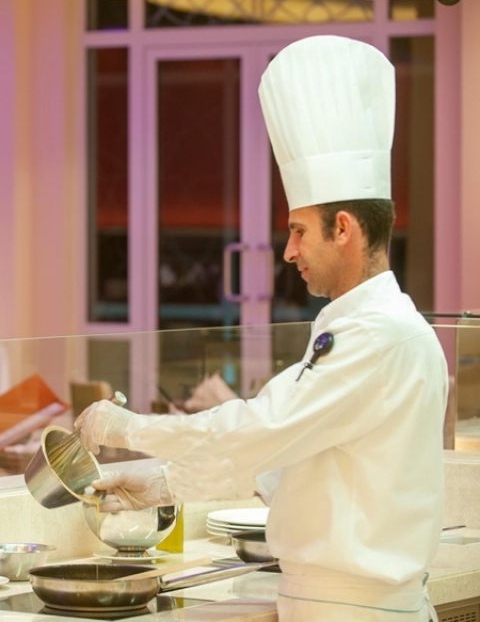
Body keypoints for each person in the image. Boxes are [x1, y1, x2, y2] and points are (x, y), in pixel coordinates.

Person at [75, 35, 448, 621]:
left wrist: (131, 427)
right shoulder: (369, 327)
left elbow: (259, 427)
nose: (288, 251)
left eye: (299, 231)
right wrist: (165, 483)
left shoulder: (378, 337)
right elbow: (291, 459)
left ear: (343, 229)